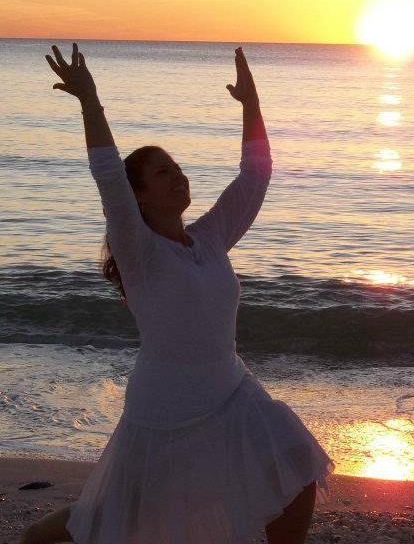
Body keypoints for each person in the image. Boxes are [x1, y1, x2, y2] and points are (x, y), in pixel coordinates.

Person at [22, 43, 334, 544]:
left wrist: (252, 108)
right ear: (139, 195)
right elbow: (107, 177)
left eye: (179, 168)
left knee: (295, 466)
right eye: (163, 171)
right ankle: (39, 537)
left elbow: (256, 176)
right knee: (124, 515)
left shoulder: (210, 238)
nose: (179, 176)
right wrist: (90, 102)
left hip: (231, 391)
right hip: (167, 408)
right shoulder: (138, 251)